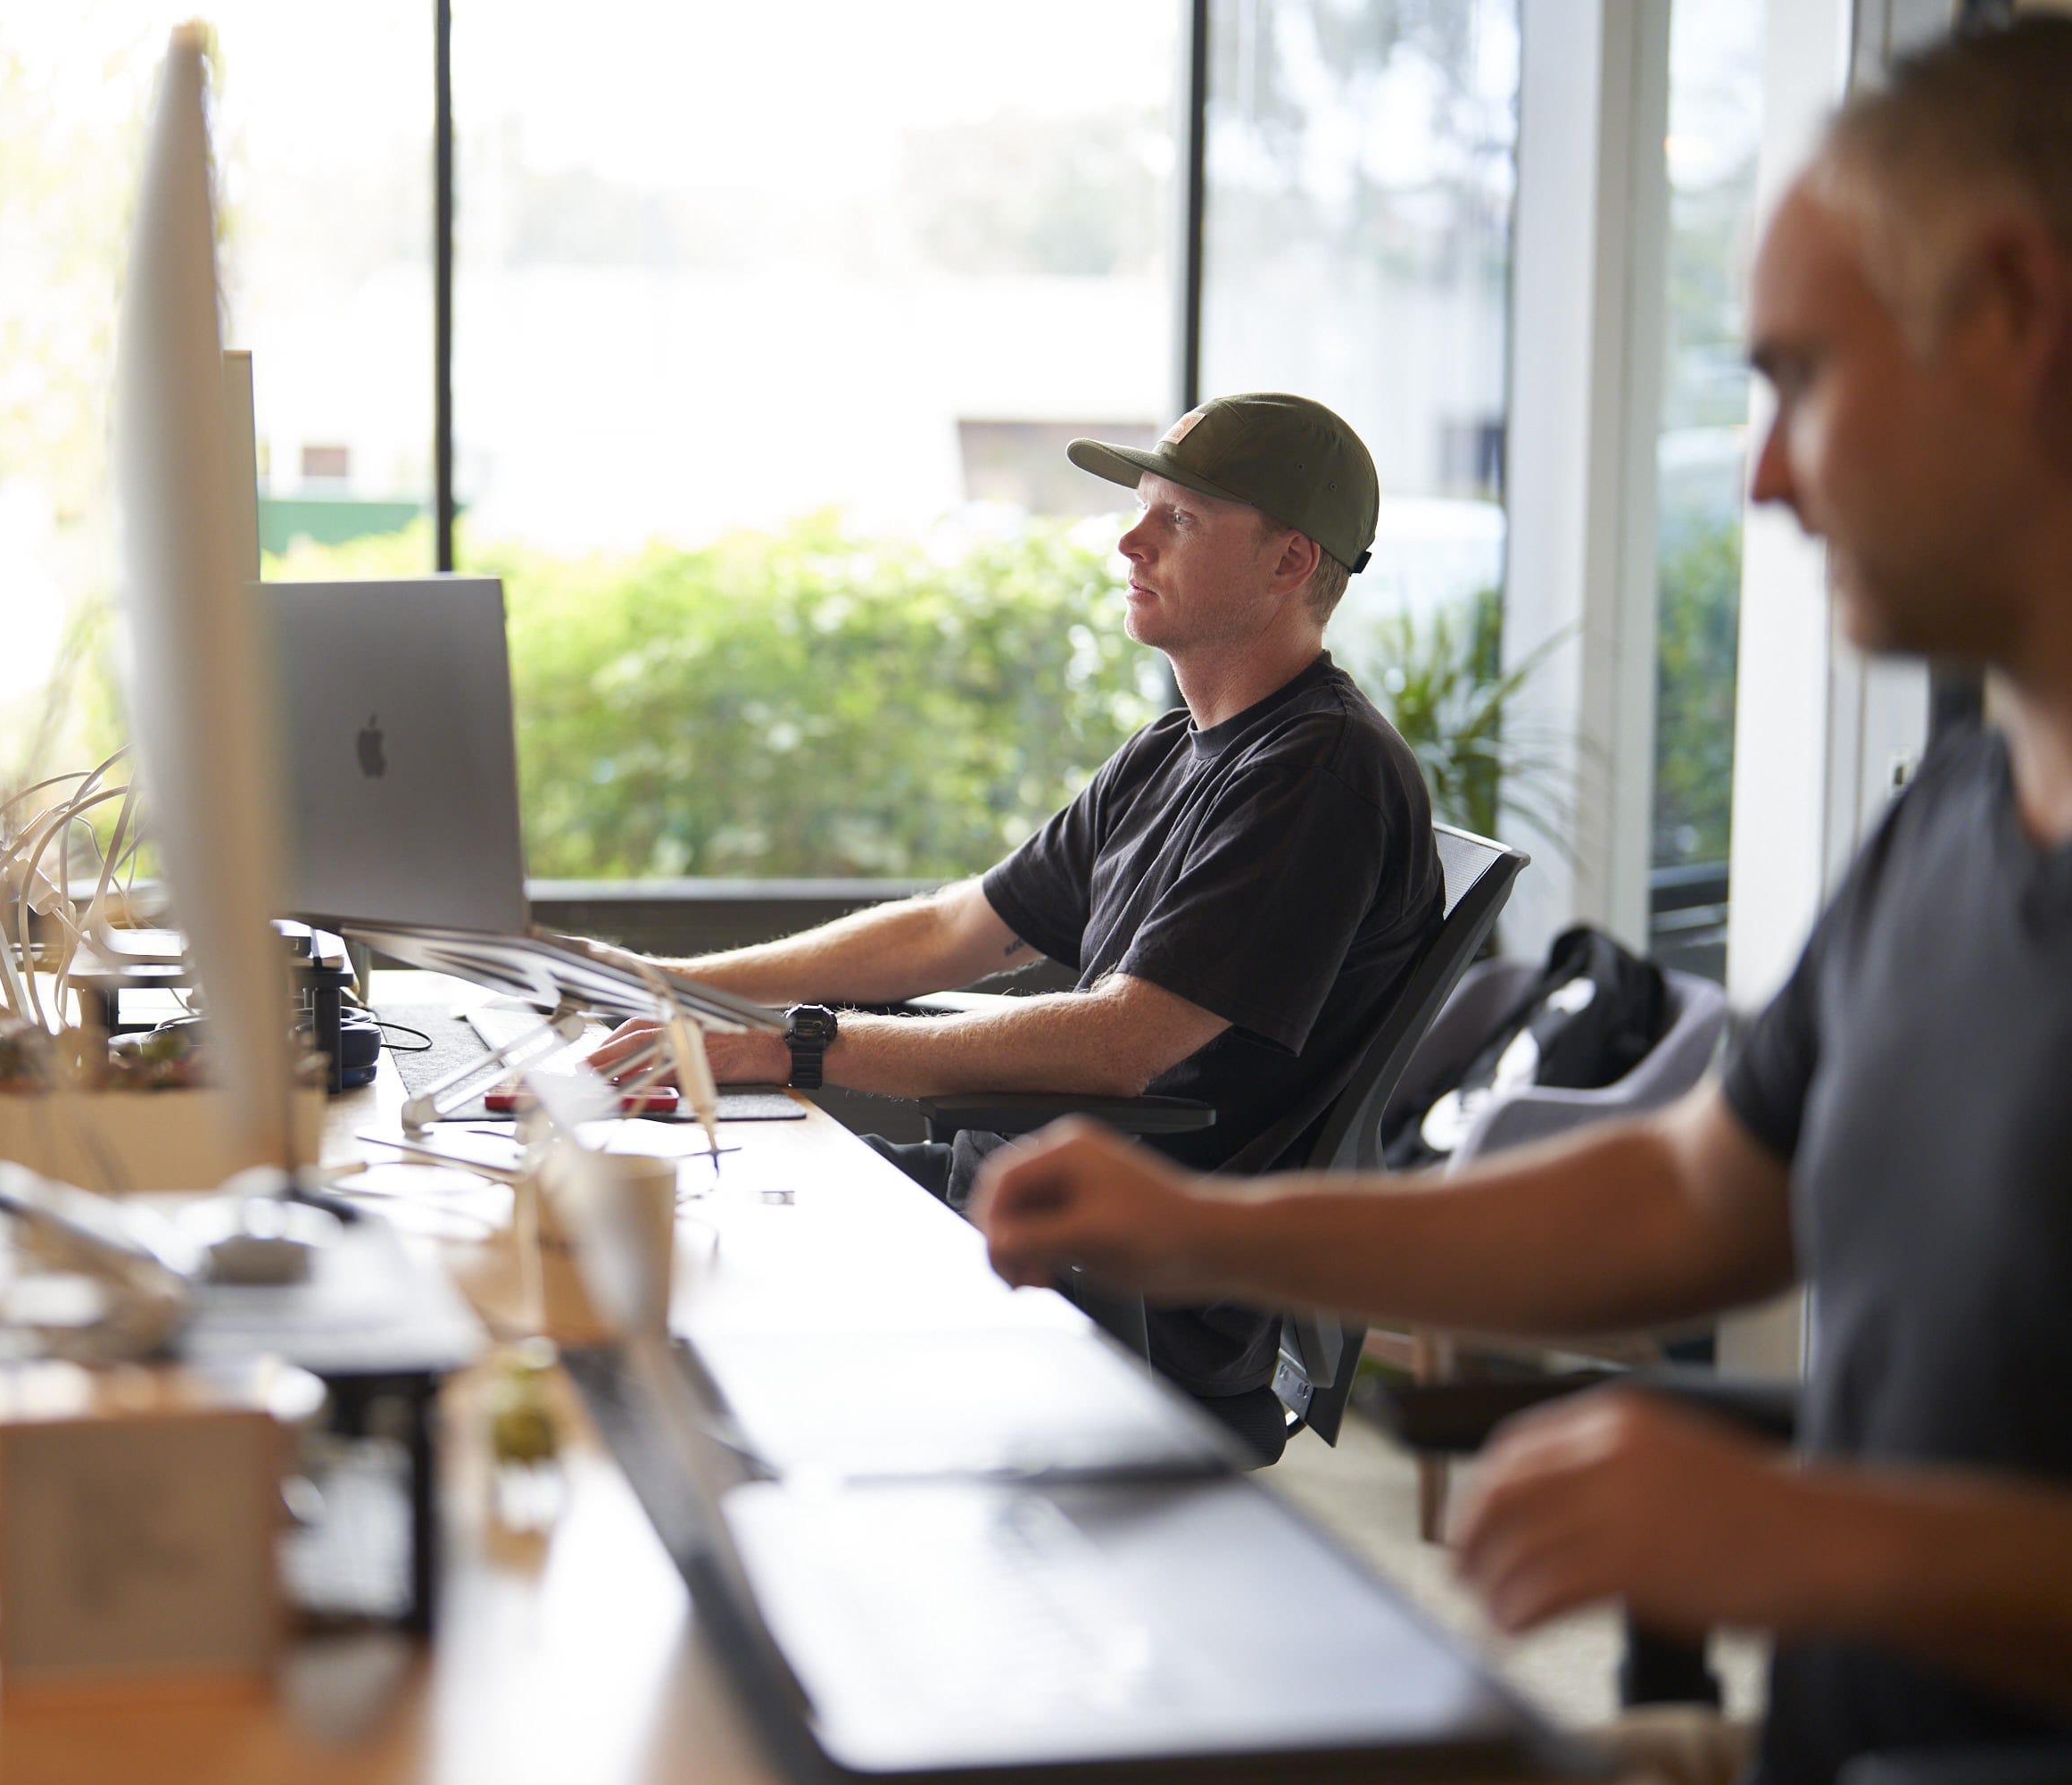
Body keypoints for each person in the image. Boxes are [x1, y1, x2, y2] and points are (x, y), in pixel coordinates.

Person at [968, 21, 2072, 1783]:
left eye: (1800, 377)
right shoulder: (1955, 815)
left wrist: (1821, 1539)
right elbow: (1699, 1189)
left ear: (2014, 316)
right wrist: (1207, 1230)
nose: (1766, 477)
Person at [590, 392, 1441, 1457]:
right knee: (663, 1207)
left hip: (1124, 1261)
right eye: (1142, 508)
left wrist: (788, 1047)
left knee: (693, 1272)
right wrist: (669, 983)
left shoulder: (1318, 772)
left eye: (1178, 519)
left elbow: (1121, 1043)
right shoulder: (1173, 750)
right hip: (1019, 1196)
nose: (1129, 540)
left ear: (1289, 562)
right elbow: (954, 928)